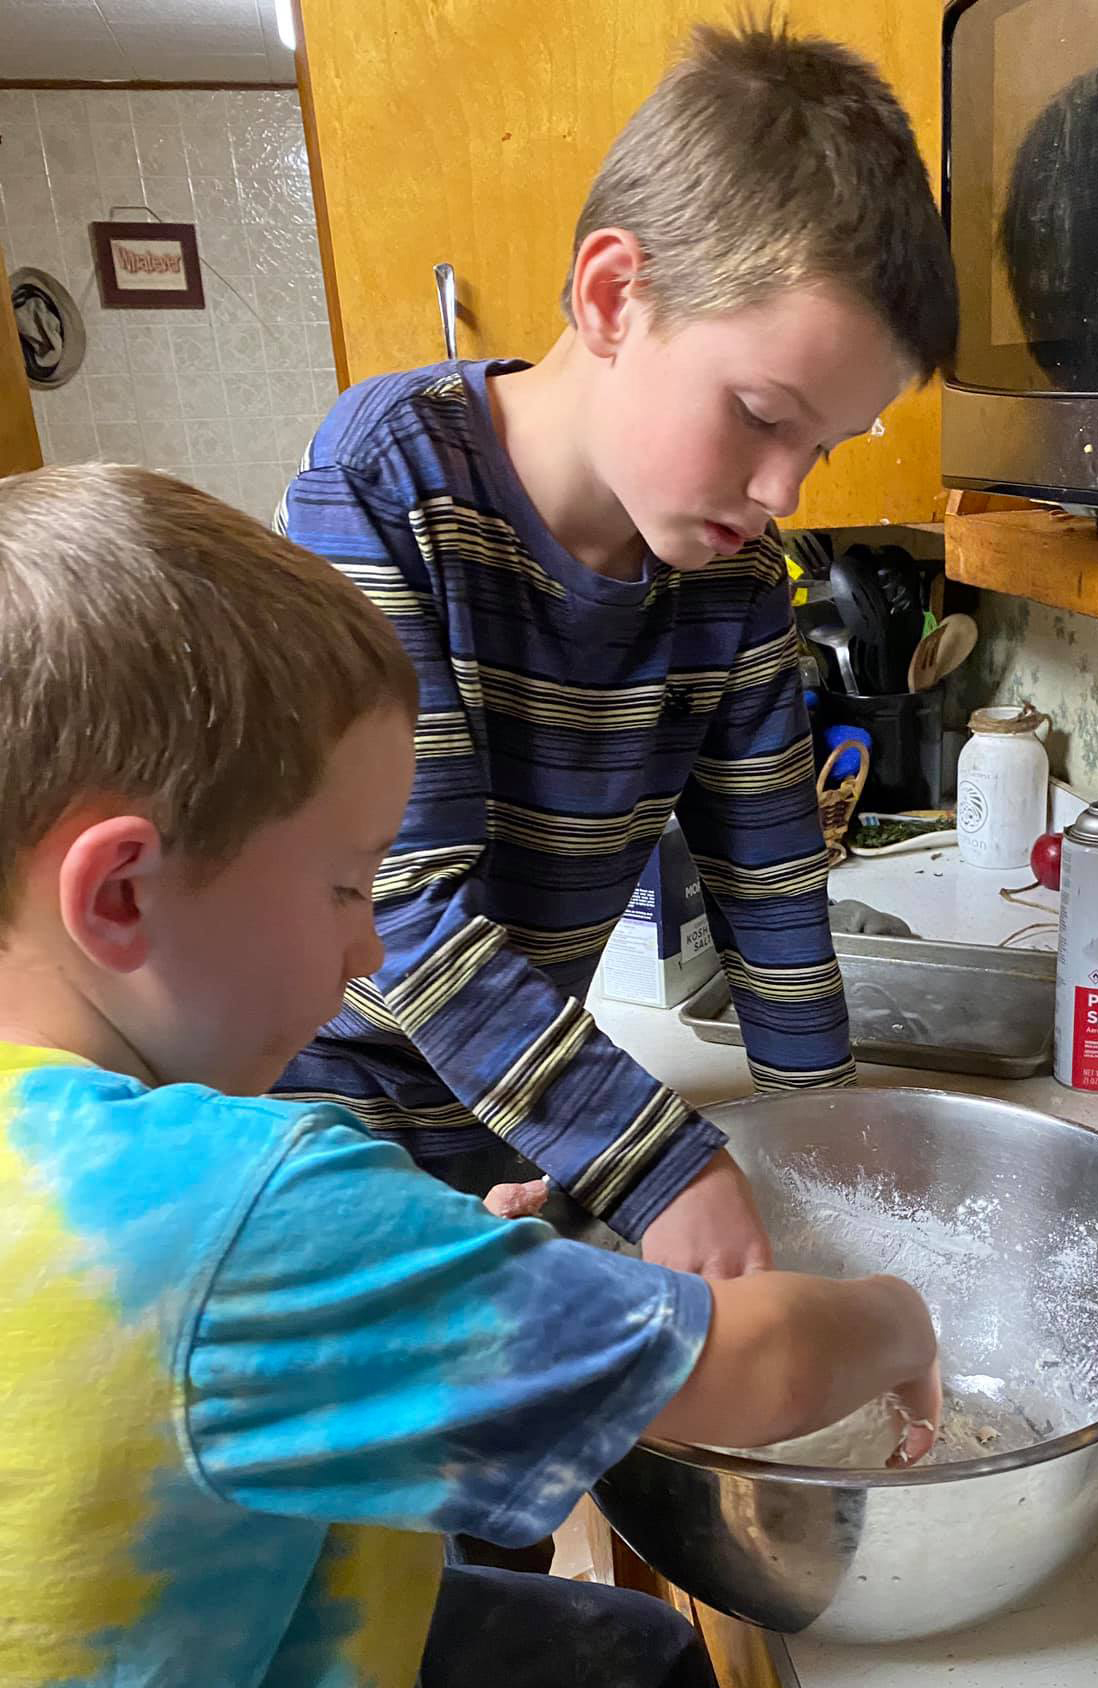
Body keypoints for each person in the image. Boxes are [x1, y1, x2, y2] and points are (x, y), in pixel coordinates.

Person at [0, 464, 941, 1688]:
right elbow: (747, 1372)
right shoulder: (248, 1212)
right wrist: (896, 1315)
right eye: (348, 882)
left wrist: (423, 1266)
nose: (370, 944)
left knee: (634, 1647)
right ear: (121, 892)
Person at [274, 17, 959, 1275]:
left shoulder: (737, 580)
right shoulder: (383, 492)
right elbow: (395, 905)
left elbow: (767, 881)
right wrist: (655, 1158)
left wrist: (829, 1141)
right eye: (761, 416)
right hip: (316, 1135)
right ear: (610, 296)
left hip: (519, 1130)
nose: (782, 489)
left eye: (821, 446)